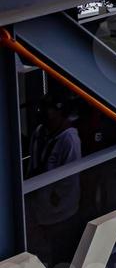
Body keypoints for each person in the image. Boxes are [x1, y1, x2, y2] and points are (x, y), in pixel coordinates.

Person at [27, 99, 82, 231]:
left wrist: (55, 198)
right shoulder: (40, 132)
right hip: (37, 206)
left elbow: (70, 177)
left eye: (50, 112)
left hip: (60, 213)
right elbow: (33, 160)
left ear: (60, 114)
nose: (46, 117)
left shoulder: (70, 140)